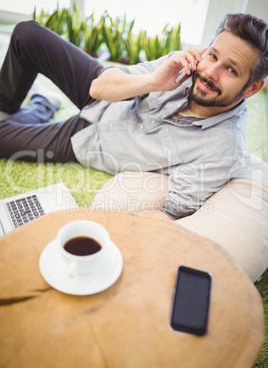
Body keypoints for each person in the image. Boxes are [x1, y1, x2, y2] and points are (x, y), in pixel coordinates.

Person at [0, 13, 267, 219]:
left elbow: (169, 215)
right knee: (27, 34)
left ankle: (41, 104)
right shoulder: (184, 66)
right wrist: (154, 81)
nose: (210, 72)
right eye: (212, 55)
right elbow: (99, 87)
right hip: (108, 96)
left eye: (231, 70)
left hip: (87, 140)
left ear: (253, 87)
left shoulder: (222, 151)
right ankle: (17, 106)